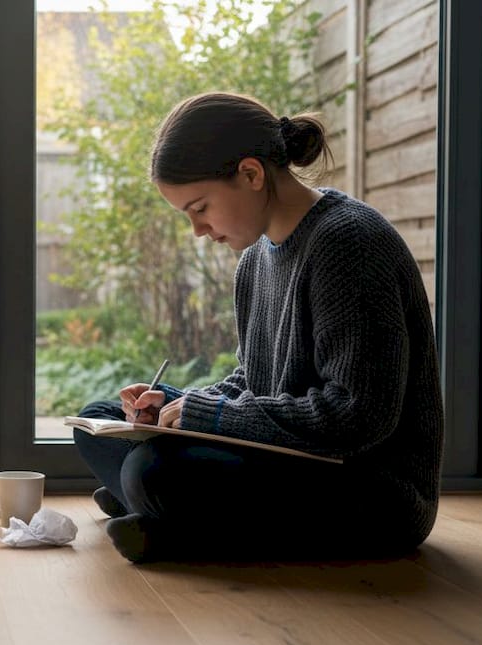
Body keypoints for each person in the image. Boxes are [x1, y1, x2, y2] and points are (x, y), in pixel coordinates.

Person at [73, 91, 444, 563]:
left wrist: (211, 418)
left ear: (250, 174)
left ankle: (166, 516)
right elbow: (254, 381)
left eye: (200, 207)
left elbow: (358, 416)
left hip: (372, 493)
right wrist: (175, 405)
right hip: (292, 463)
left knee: (152, 471)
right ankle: (162, 512)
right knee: (100, 419)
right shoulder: (254, 259)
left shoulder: (348, 244)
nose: (198, 231)